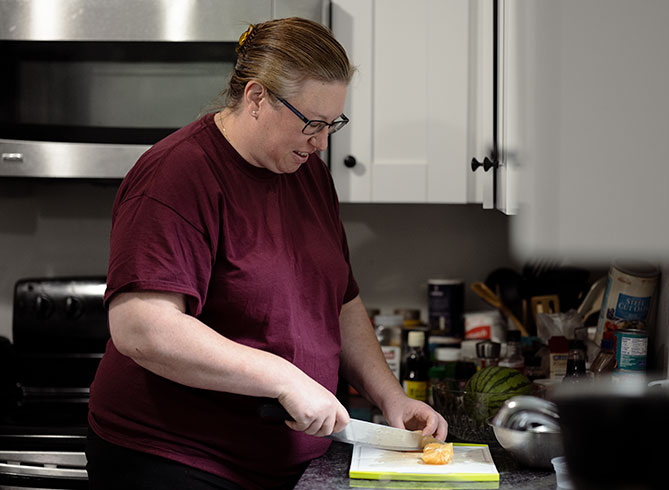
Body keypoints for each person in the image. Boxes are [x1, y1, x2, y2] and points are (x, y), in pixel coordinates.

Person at [86, 17, 448, 490]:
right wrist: (283, 378)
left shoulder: (307, 174)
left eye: (333, 123)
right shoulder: (177, 174)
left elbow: (341, 302)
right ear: (256, 98)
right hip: (177, 460)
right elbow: (142, 328)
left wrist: (391, 398)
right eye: (312, 123)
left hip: (283, 463)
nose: (321, 142)